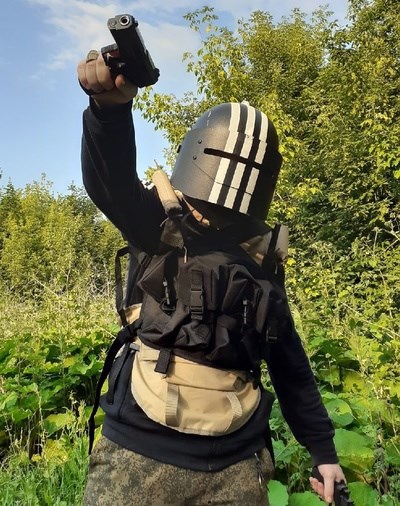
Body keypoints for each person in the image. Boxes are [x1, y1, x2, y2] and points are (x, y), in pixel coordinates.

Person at [77, 49, 346, 506]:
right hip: (177, 454)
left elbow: (287, 359)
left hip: (192, 457)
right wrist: (108, 111)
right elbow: (110, 179)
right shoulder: (165, 223)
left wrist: (322, 449)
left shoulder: (252, 252)